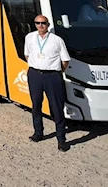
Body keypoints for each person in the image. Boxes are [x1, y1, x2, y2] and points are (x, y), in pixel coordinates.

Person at [24, 14, 71, 152]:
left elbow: (65, 60)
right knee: (36, 105)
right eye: (37, 23)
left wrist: (55, 71)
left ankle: (61, 140)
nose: (40, 25)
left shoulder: (57, 40)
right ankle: (38, 132)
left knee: (57, 107)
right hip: (35, 75)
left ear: (48, 24)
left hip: (52, 76)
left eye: (43, 23)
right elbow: (27, 54)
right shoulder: (29, 38)